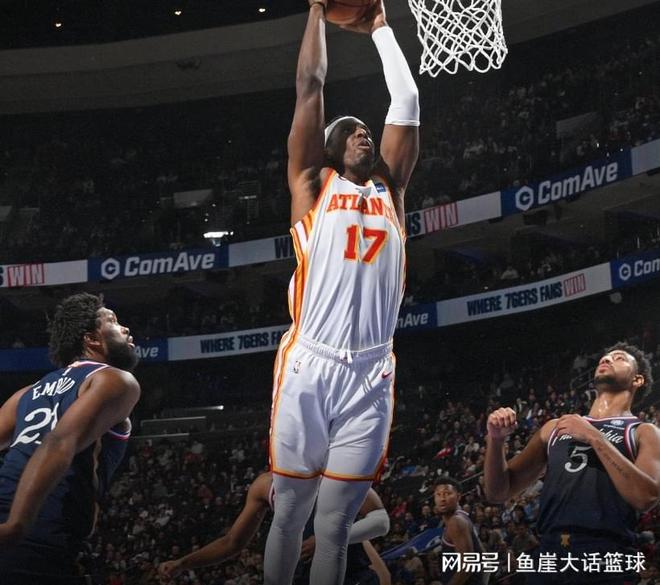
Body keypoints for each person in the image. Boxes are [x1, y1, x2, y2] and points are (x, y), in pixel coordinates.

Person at [265, 0, 419, 583]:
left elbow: (406, 100)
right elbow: (310, 86)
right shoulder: (312, 185)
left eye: (366, 131)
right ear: (328, 149)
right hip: (310, 362)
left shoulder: (391, 191)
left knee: (333, 525)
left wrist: (380, 29)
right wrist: (316, 10)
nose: (363, 133)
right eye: (350, 131)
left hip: (372, 372)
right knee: (290, 513)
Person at [484, 342, 660, 584]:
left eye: (618, 358)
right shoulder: (554, 427)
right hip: (550, 552)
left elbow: (646, 497)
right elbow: (497, 492)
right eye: (605, 358)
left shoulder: (643, 432)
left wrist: (594, 437)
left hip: (605, 554)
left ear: (637, 380)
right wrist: (495, 440)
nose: (606, 360)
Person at [0, 293, 140, 584]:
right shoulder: (114, 379)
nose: (125, 328)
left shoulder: (26, 393)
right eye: (113, 322)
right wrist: (17, 524)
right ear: (92, 339)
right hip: (40, 537)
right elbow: (58, 442)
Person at [158, 472, 391, 584]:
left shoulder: (334, 472)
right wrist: (183, 563)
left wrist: (327, 539)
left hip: (351, 575)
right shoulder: (265, 485)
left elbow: (380, 521)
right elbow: (232, 542)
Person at [434, 477, 489, 585]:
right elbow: (485, 558)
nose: (442, 499)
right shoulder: (462, 518)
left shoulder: (456, 522)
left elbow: (468, 565)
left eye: (447, 493)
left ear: (458, 496)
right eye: (438, 494)